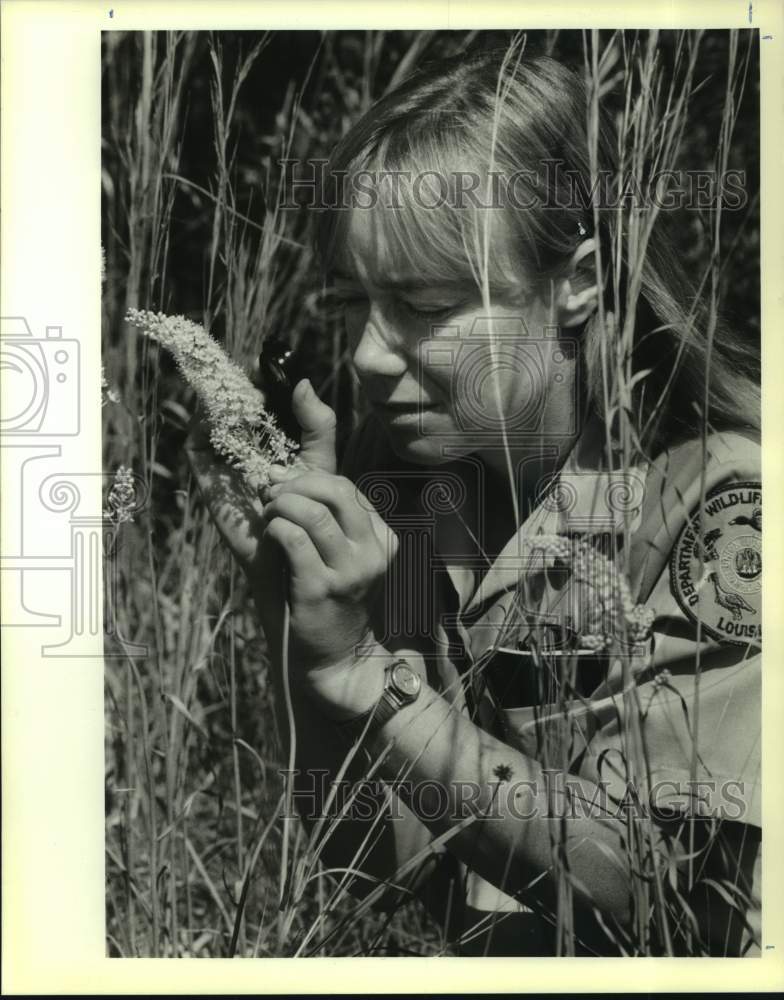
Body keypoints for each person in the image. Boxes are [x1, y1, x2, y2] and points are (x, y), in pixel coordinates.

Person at [187, 48, 761, 956]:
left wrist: (370, 675)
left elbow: (663, 894)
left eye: (423, 304)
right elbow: (374, 863)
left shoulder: (723, 512)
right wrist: (298, 621)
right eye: (355, 305)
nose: (370, 357)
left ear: (579, 282)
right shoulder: (418, 492)